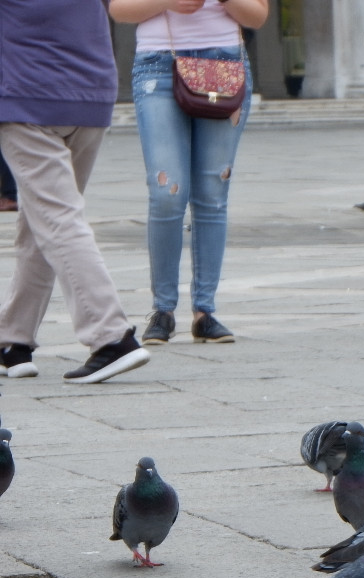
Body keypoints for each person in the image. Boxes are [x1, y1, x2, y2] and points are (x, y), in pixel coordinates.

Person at [0, 0, 149, 383]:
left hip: (27, 98)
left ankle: (110, 336)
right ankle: (12, 340)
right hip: (90, 96)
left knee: (58, 220)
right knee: (43, 221)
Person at [109, 0, 269, 349]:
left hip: (225, 61)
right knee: (166, 192)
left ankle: (205, 310)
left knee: (212, 193)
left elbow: (257, 15)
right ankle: (162, 309)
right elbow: (120, 10)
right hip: (158, 65)